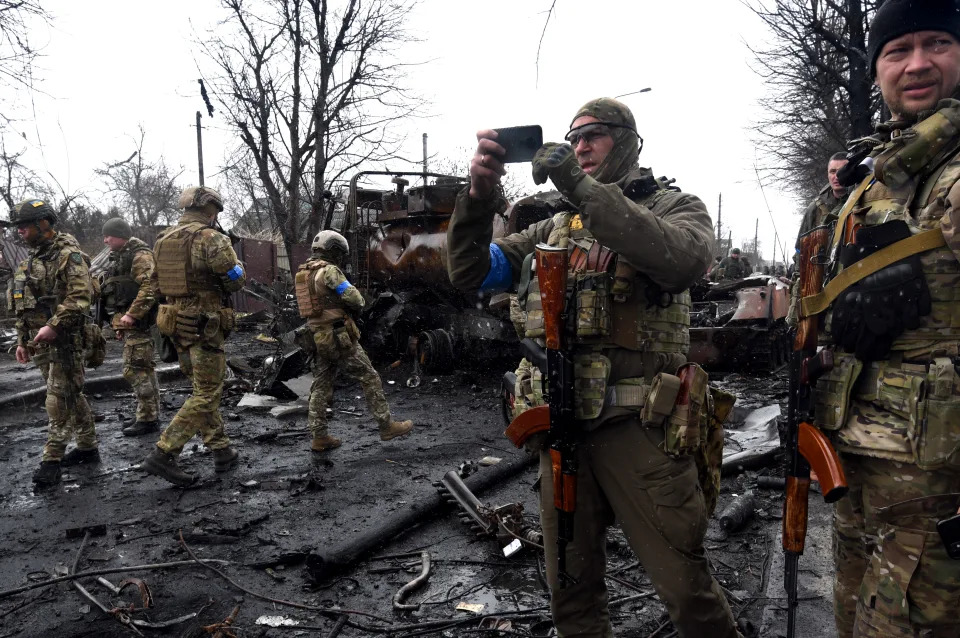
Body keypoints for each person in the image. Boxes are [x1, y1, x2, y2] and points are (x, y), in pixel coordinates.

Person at [447, 98, 739, 638]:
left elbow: (681, 260)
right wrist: (478, 198)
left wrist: (577, 186)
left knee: (684, 587)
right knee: (571, 590)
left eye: (594, 134)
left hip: (643, 433)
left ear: (626, 140)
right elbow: (470, 271)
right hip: (562, 428)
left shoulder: (677, 207)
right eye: (572, 136)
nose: (579, 145)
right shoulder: (554, 228)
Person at [800, 2, 960, 636]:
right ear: (876, 71)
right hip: (862, 465)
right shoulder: (880, 175)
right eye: (897, 51)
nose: (916, 63)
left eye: (937, 43)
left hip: (936, 488)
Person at [142, 186, 245, 487]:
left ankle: (222, 449)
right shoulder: (212, 238)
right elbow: (235, 281)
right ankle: (164, 452)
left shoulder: (162, 241)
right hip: (204, 325)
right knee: (208, 392)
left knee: (203, 388)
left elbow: (155, 283)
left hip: (177, 324)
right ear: (211, 211)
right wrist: (239, 267)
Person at [5, 199, 98, 486]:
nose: (19, 231)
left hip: (66, 341)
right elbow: (22, 306)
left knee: (58, 400)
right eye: (17, 227)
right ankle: (88, 447)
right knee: (69, 393)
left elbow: (80, 298)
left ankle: (52, 460)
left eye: (23, 226)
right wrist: (23, 341)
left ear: (42, 224)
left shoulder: (69, 256)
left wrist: (53, 326)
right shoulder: (28, 261)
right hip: (40, 344)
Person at [295, 230, 412, 454]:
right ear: (335, 251)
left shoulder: (304, 274)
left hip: (316, 337)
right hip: (338, 336)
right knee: (369, 376)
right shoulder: (330, 272)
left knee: (320, 385)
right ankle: (386, 426)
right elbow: (355, 299)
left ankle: (319, 437)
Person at [100, 217, 160, 436]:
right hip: (132, 325)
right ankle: (149, 416)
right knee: (143, 369)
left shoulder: (140, 255)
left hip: (141, 324)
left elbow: (151, 286)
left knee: (134, 369)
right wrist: (120, 324)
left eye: (109, 235)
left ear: (121, 236)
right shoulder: (120, 258)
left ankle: (147, 418)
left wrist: (133, 315)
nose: (105, 240)